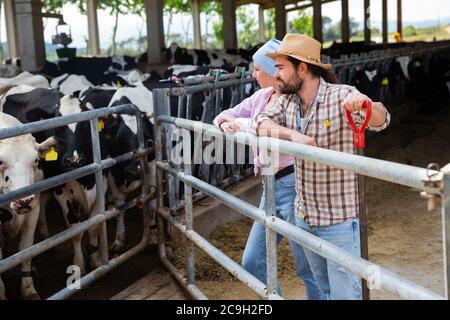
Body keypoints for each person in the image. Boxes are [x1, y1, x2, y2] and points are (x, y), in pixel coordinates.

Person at [251, 34, 391, 300]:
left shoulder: (342, 96)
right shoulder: (287, 102)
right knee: (325, 290)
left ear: (302, 68)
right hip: (305, 217)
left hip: (338, 219)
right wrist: (294, 137)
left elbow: (382, 120)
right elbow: (260, 122)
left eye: (281, 67)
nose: (276, 74)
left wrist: (368, 105)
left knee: (344, 295)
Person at [213, 39, 323, 300]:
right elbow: (222, 115)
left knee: (308, 268)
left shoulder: (296, 100)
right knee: (252, 261)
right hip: (269, 187)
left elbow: (271, 129)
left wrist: (240, 125)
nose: (254, 74)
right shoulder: (261, 96)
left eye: (258, 69)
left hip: (295, 186)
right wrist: (227, 123)